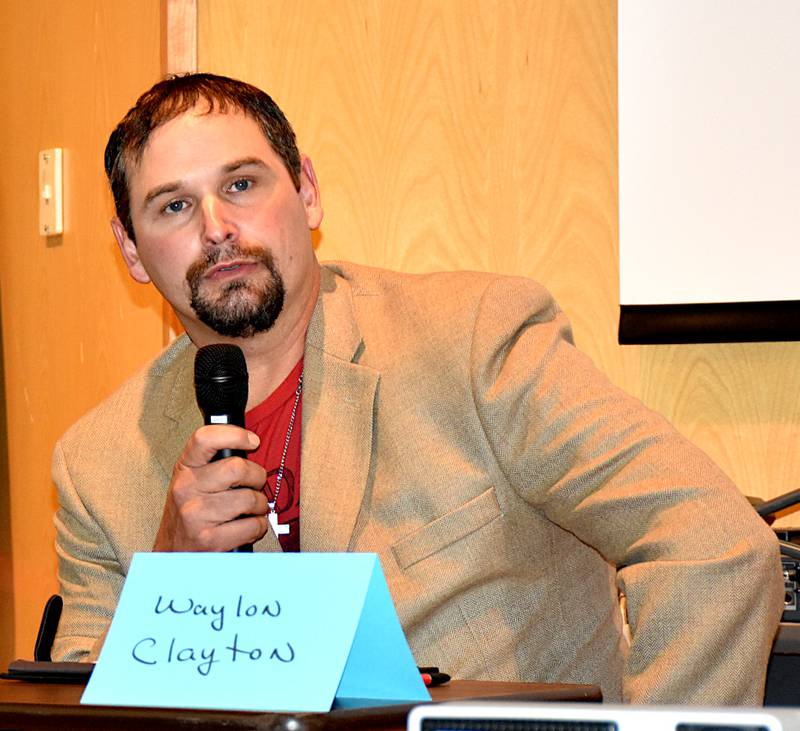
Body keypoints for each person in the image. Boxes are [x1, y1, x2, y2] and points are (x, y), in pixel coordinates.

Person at [51, 73, 783, 704]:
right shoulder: (96, 463)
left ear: (306, 192)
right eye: (174, 206)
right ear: (130, 249)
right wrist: (170, 579)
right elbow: (68, 699)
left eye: (242, 184)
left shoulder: (471, 340)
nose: (218, 228)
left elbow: (714, 545)